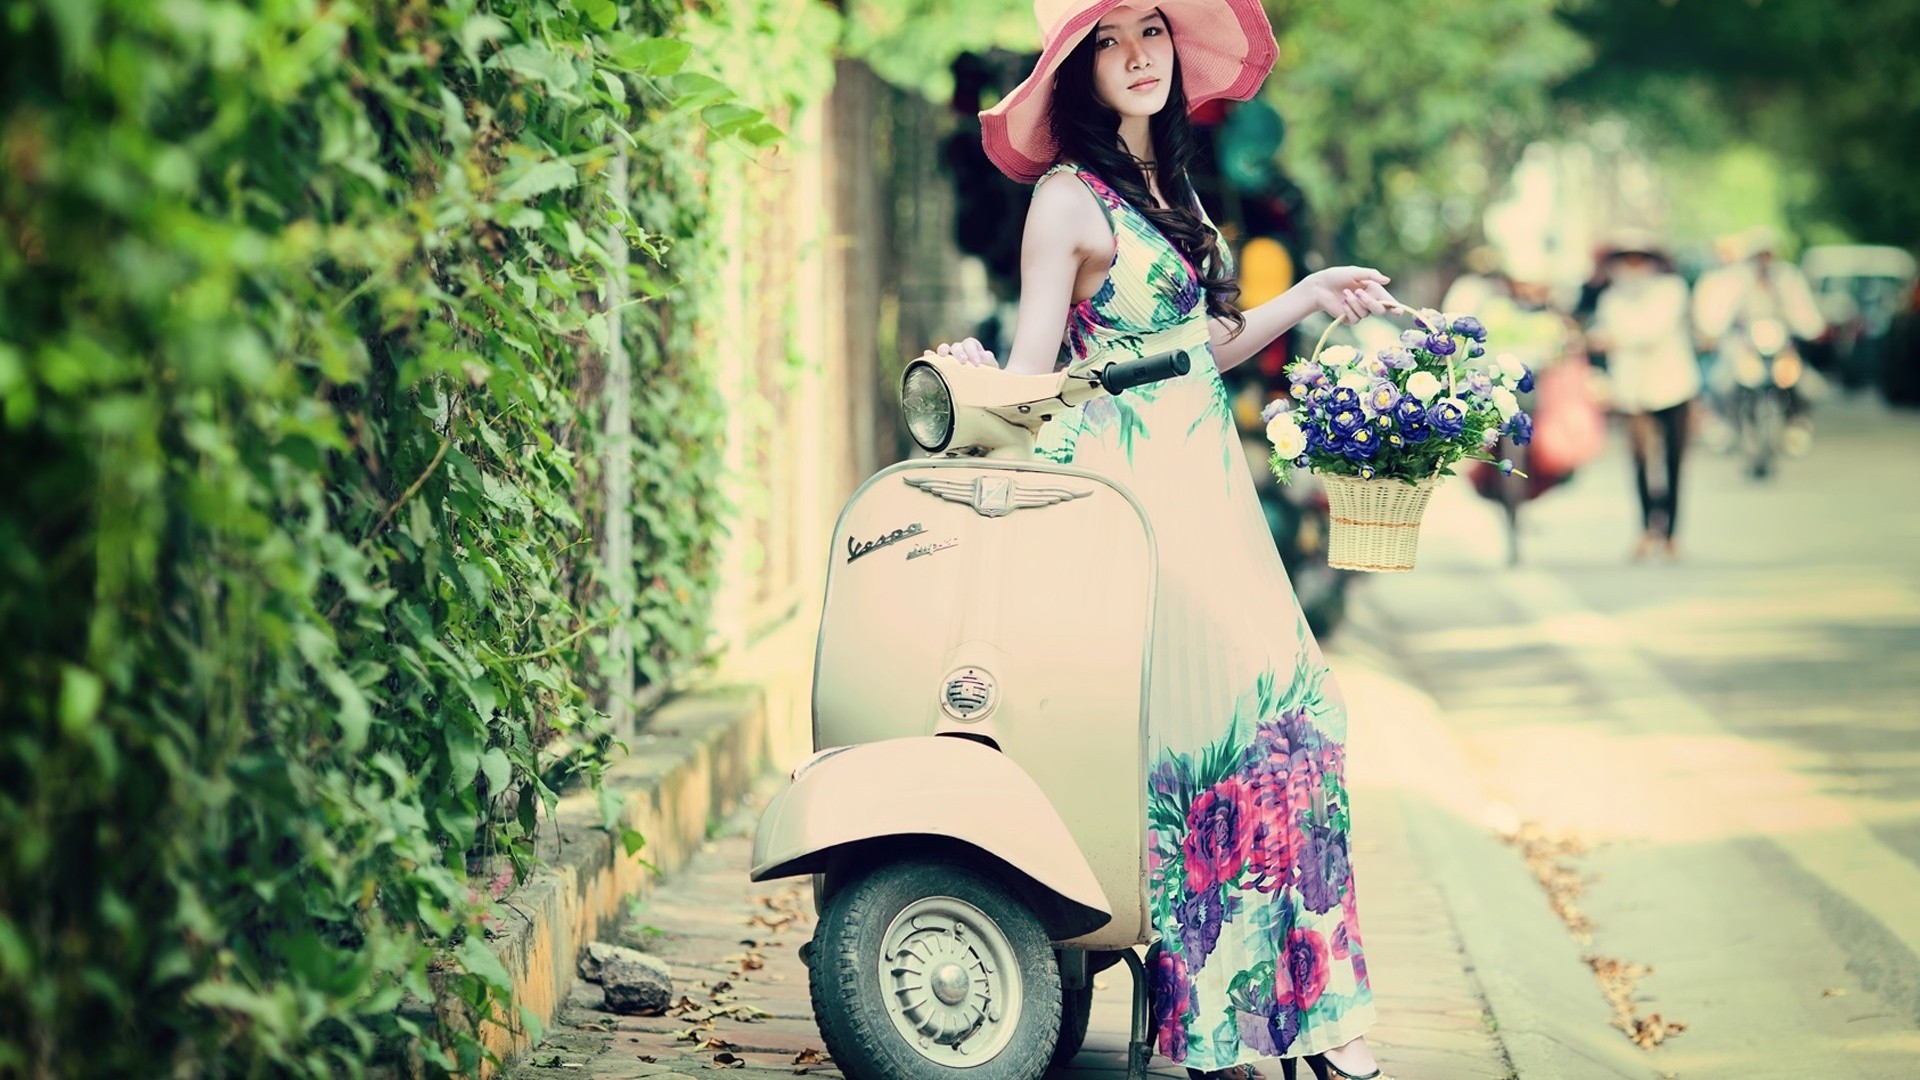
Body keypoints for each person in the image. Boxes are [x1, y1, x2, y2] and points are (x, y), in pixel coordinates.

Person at [926, 3, 1400, 1078]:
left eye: (1151, 30)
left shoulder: (1168, 186)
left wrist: (1314, 295)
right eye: (1109, 40)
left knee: (1300, 716)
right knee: (1218, 741)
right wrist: (980, 393)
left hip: (1210, 491)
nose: (1138, 55)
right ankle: (1230, 1029)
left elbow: (1200, 348)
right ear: (1075, 69)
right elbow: (1036, 375)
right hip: (1132, 501)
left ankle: (1310, 1020)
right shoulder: (1065, 202)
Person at [1585, 232, 1699, 559]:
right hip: (1632, 391)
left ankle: (1672, 532)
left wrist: (1613, 338)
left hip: (1674, 385)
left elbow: (1651, 331)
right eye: (1627, 260)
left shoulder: (1671, 290)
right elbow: (1602, 335)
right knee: (1639, 461)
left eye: (1639, 259)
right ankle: (1647, 528)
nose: (1633, 267)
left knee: (1674, 461)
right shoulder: (1611, 299)